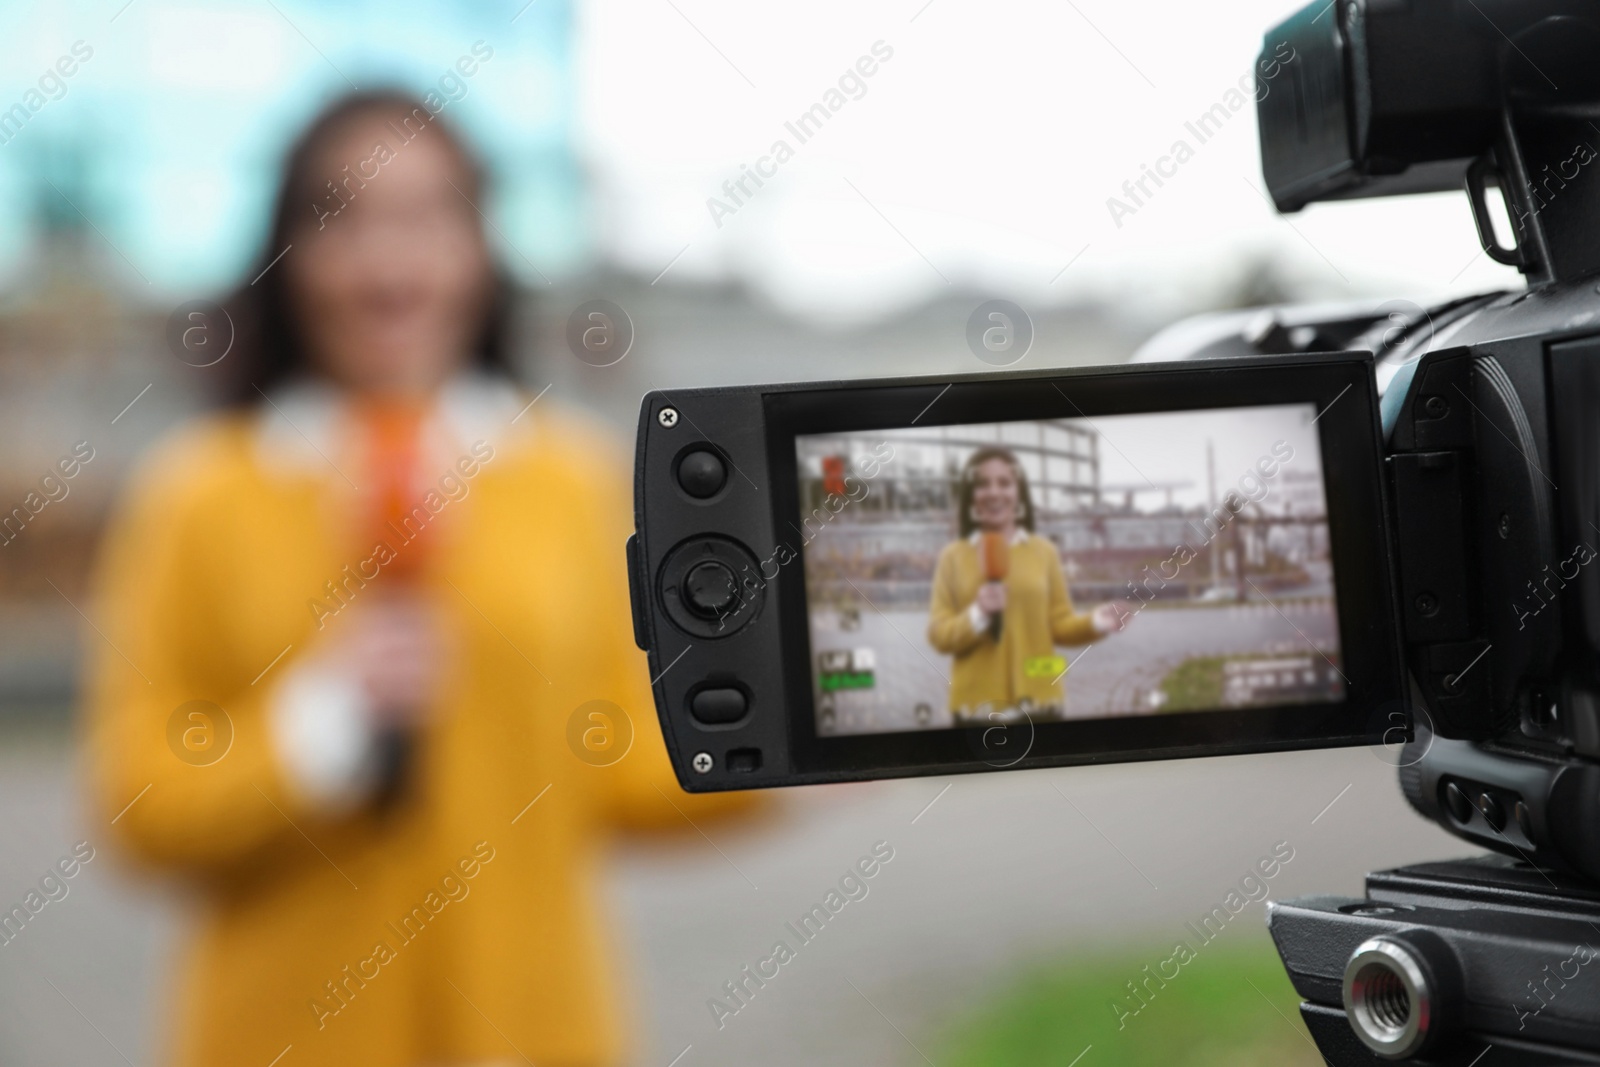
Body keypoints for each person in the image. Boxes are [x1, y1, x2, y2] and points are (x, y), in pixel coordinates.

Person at [85, 91, 753, 1067]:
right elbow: (139, 798)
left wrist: (810, 735)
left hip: (534, 1033)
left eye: (426, 216)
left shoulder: (568, 477)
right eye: (341, 220)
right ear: (284, 256)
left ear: (481, 247)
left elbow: (623, 766)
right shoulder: (199, 494)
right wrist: (309, 729)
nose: (386, 265)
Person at [926, 446, 1127, 721]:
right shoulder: (952, 556)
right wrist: (977, 615)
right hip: (975, 710)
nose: (994, 492)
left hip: (1041, 705)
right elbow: (939, 634)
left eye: (1005, 483)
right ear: (971, 495)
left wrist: (1095, 623)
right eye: (983, 484)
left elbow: (1059, 625)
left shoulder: (1044, 552)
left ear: (1018, 493)